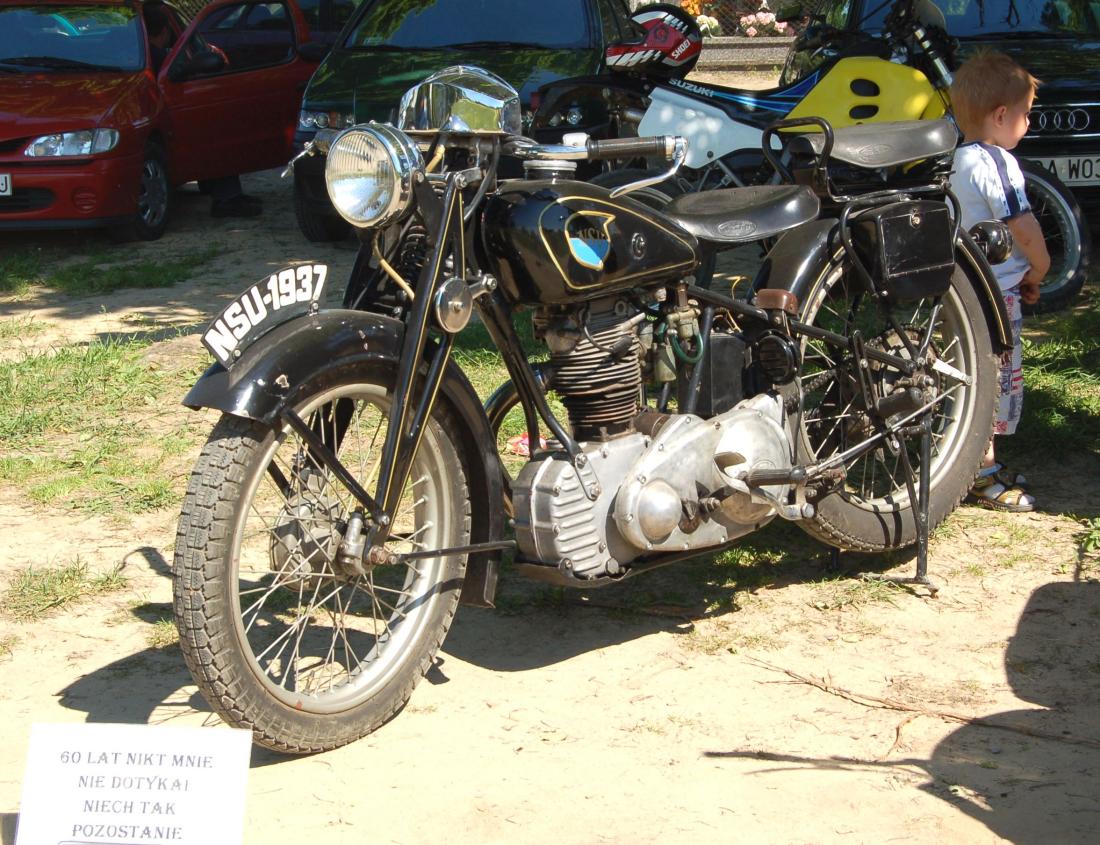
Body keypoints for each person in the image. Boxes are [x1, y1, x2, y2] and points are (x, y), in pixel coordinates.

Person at [949, 51, 1050, 511]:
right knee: (996, 381)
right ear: (1002, 115)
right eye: (1026, 115)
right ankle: (982, 471)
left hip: (961, 289)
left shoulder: (954, 159)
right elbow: (1021, 225)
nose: (1028, 124)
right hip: (997, 294)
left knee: (971, 373)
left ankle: (972, 461)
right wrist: (1041, 267)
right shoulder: (997, 163)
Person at [144, 4, 263, 219]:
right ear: (164, 31)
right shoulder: (161, 58)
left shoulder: (136, 54)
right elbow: (184, 72)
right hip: (171, 120)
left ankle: (225, 191)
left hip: (162, 122)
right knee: (217, 134)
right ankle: (227, 198)